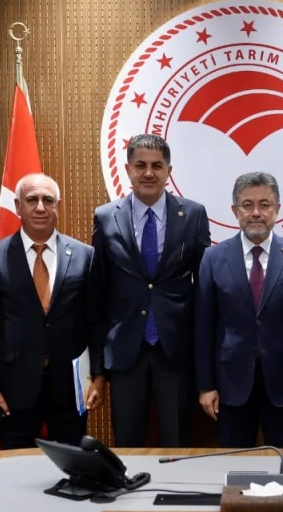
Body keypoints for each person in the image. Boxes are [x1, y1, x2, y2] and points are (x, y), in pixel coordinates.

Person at [86, 134, 210, 447]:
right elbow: (97, 294)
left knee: (177, 443)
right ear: (128, 169)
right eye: (140, 165)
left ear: (169, 171)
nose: (148, 173)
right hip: (125, 350)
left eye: (157, 165)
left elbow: (205, 289)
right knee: (127, 444)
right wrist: (97, 367)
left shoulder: (193, 215)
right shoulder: (106, 217)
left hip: (176, 350)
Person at [195, 172, 283, 447]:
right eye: (247, 205)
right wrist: (206, 386)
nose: (256, 213)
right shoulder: (213, 258)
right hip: (230, 383)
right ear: (235, 210)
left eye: (264, 205)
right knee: (235, 462)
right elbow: (204, 327)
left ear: (277, 209)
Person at [0, 173, 94, 449]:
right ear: (18, 206)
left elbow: (94, 321)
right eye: (32, 200)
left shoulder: (84, 255)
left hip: (69, 387)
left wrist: (97, 377)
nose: (40, 207)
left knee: (72, 463)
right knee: (15, 466)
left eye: (48, 200)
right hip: (13, 388)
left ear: (57, 206)